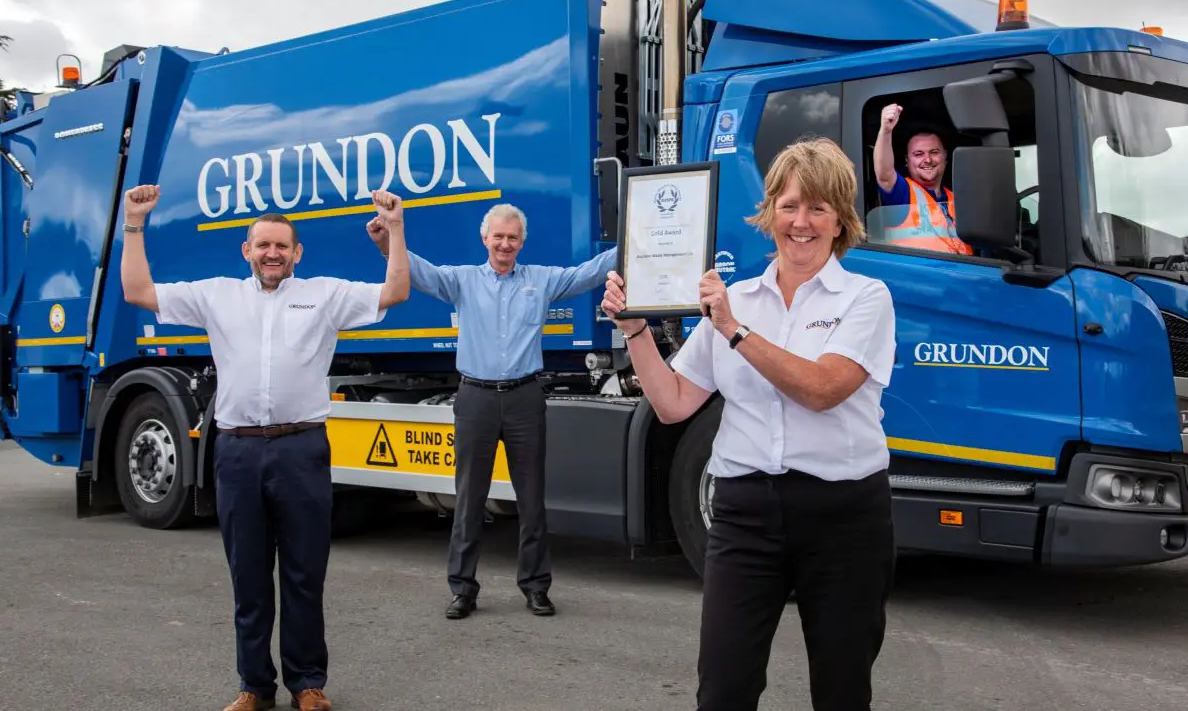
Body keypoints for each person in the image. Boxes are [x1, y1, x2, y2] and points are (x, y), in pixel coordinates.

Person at [602, 138, 897, 711]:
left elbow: (821, 390)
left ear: (841, 221)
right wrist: (636, 330)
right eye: (788, 206)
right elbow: (675, 403)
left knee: (841, 691)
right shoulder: (735, 299)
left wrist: (734, 330)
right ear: (769, 214)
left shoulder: (867, 298)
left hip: (842, 518)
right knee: (724, 689)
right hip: (744, 515)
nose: (801, 222)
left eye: (818, 208)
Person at [120, 184, 411, 711]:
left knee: (304, 573)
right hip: (238, 452)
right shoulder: (216, 296)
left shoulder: (324, 294)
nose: (272, 253)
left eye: (282, 246)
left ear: (297, 254)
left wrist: (395, 229)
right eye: (263, 245)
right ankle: (254, 687)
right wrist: (134, 224)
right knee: (249, 577)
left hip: (302, 450)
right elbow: (138, 291)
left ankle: (307, 684)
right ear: (246, 251)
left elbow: (394, 293)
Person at [397, 203, 615, 619]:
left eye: (512, 237)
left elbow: (588, 272)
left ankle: (535, 587)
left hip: (523, 397)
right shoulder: (461, 281)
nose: (504, 243)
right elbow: (420, 272)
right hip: (475, 398)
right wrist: (389, 236)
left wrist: (636, 239)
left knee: (531, 500)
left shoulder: (541, 280)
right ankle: (462, 589)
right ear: (485, 239)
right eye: (498, 236)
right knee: (469, 498)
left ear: (522, 242)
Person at [873, 103, 973, 255]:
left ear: (945, 156)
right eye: (918, 154)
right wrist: (886, 131)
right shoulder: (903, 193)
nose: (927, 159)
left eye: (934, 152)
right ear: (907, 161)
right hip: (919, 277)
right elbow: (884, 175)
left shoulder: (957, 200)